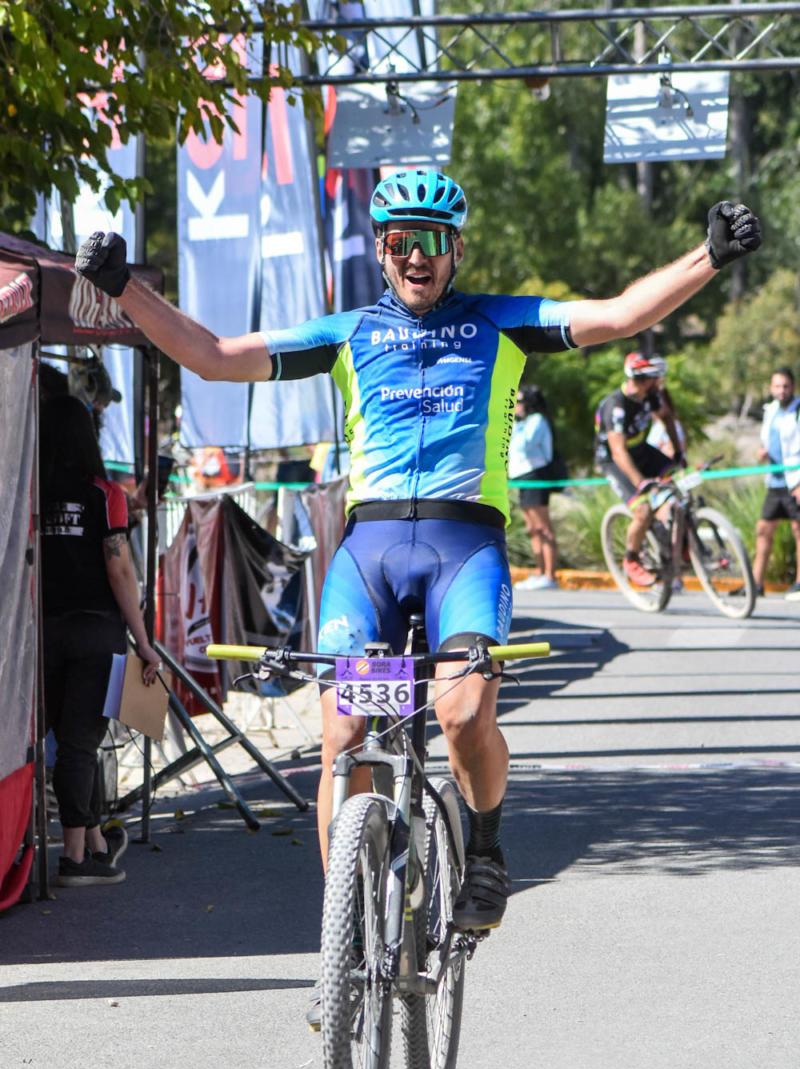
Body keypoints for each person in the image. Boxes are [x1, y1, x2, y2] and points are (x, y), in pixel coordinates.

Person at [75, 178, 760, 982]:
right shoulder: (349, 333)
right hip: (368, 559)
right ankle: (345, 943)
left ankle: (487, 850)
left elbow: (618, 315)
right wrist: (123, 287)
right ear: (381, 249)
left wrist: (708, 256)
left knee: (463, 714)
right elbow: (214, 358)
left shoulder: (501, 322)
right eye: (400, 241)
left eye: (432, 241)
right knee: (343, 737)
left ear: (456, 249)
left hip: (463, 550)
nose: (415, 257)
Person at [40, 394, 161, 886]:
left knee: (65, 740)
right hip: (96, 631)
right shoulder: (105, 494)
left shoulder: (29, 493)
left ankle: (93, 843)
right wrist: (143, 641)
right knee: (80, 743)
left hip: (42, 632)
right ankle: (73, 858)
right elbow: (119, 570)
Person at [594, 352, 685, 587]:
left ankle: (682, 537)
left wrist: (678, 453)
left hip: (641, 450)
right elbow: (618, 452)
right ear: (642, 380)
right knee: (642, 509)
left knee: (681, 479)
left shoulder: (650, 396)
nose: (659, 383)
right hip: (615, 460)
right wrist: (640, 482)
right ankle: (631, 559)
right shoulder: (616, 406)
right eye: (655, 378)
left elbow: (667, 419)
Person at [751, 367, 800, 600]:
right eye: (777, 386)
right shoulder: (770, 410)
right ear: (771, 388)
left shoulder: (798, 410)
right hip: (775, 480)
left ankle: (799, 583)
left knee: (798, 530)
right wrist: (762, 452)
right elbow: (768, 440)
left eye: (786, 386)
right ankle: (755, 584)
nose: (782, 391)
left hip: (795, 480)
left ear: (793, 387)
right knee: (763, 529)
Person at [508, 384, 560, 590]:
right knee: (532, 528)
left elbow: (524, 445)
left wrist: (515, 423)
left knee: (543, 527)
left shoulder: (537, 420)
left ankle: (550, 575)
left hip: (535, 474)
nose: (515, 405)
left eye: (519, 402)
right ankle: (540, 572)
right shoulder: (523, 422)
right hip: (521, 476)